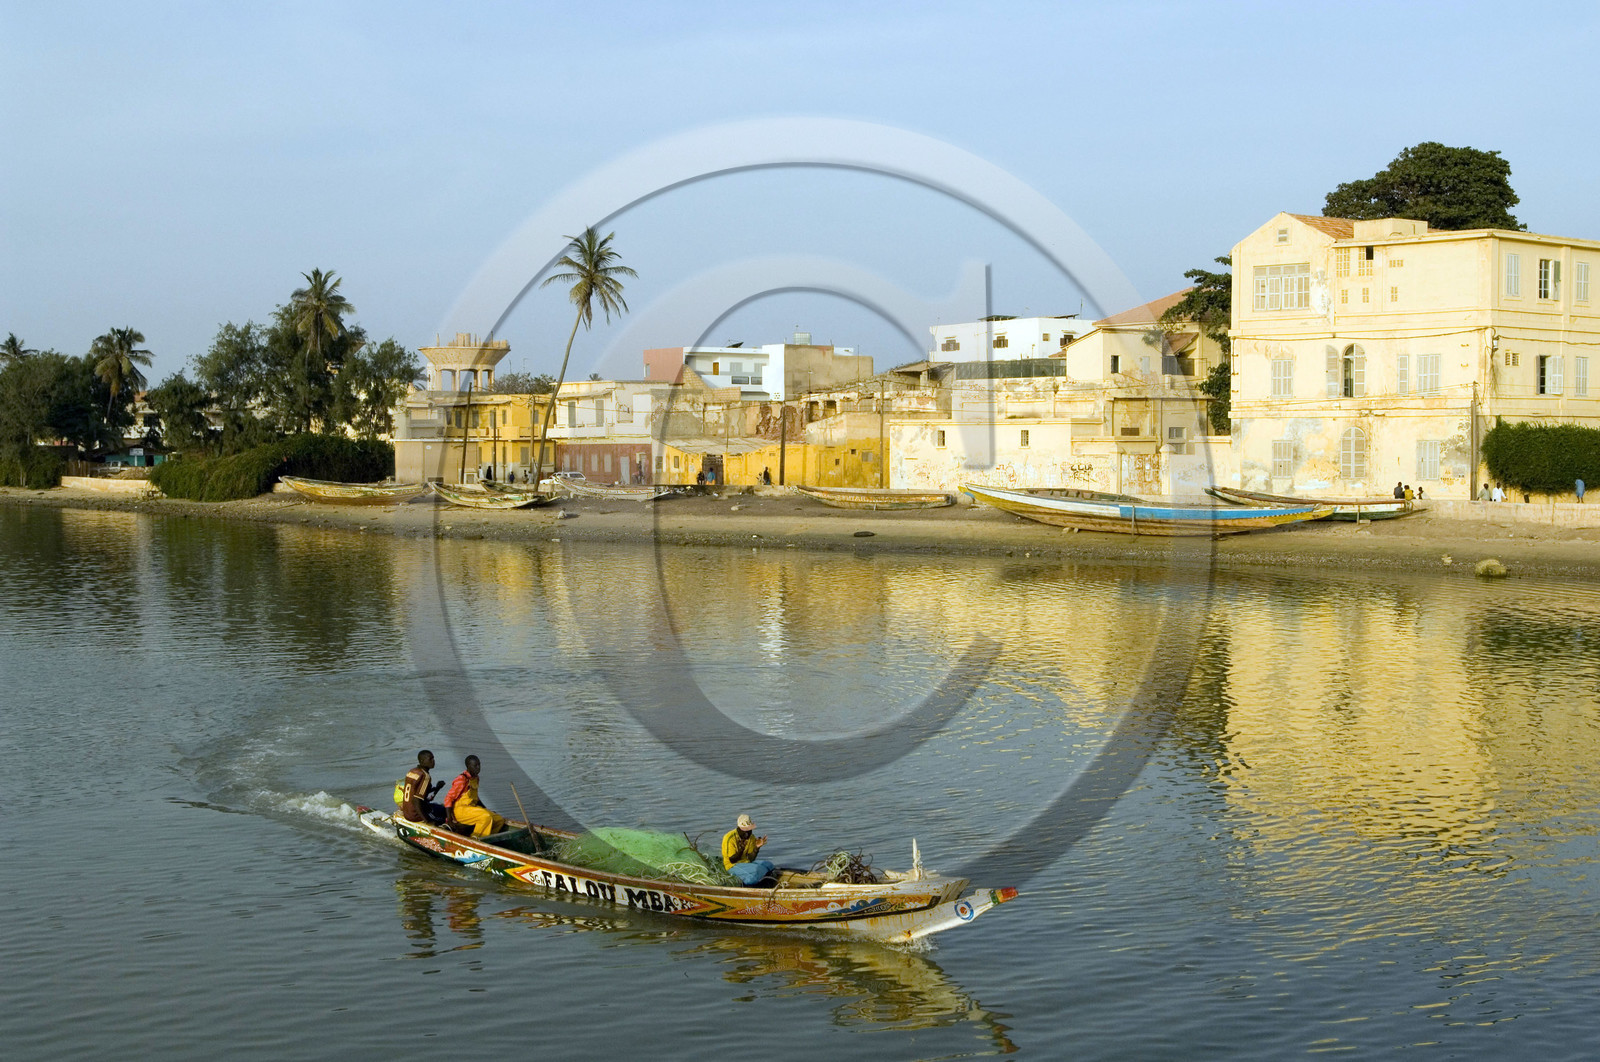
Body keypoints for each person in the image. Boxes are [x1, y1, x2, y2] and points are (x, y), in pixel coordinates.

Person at [443, 755, 506, 838]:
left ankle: (488, 839)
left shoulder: (476, 778)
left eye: (479, 765)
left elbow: (476, 797)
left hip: (472, 808)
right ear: (468, 766)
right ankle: (475, 838)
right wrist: (450, 820)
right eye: (475, 765)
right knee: (485, 817)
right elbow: (448, 798)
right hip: (460, 811)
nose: (478, 768)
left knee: (499, 819)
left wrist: (486, 809)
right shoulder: (462, 779)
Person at [722, 813, 776, 886]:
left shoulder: (751, 837)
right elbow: (732, 860)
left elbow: (750, 859)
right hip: (732, 865)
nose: (747, 833)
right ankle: (746, 884)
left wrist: (756, 848)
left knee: (769, 865)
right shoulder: (730, 838)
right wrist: (741, 850)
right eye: (745, 830)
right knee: (757, 870)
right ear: (739, 829)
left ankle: (763, 880)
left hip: (746, 863)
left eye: (749, 830)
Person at [398, 749, 446, 824]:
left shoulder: (412, 771)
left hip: (407, 811)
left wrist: (437, 788)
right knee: (444, 818)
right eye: (430, 759)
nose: (433, 761)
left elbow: (418, 792)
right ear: (422, 760)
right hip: (415, 815)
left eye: (433, 758)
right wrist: (428, 821)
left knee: (440, 808)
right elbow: (416, 800)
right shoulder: (425, 776)